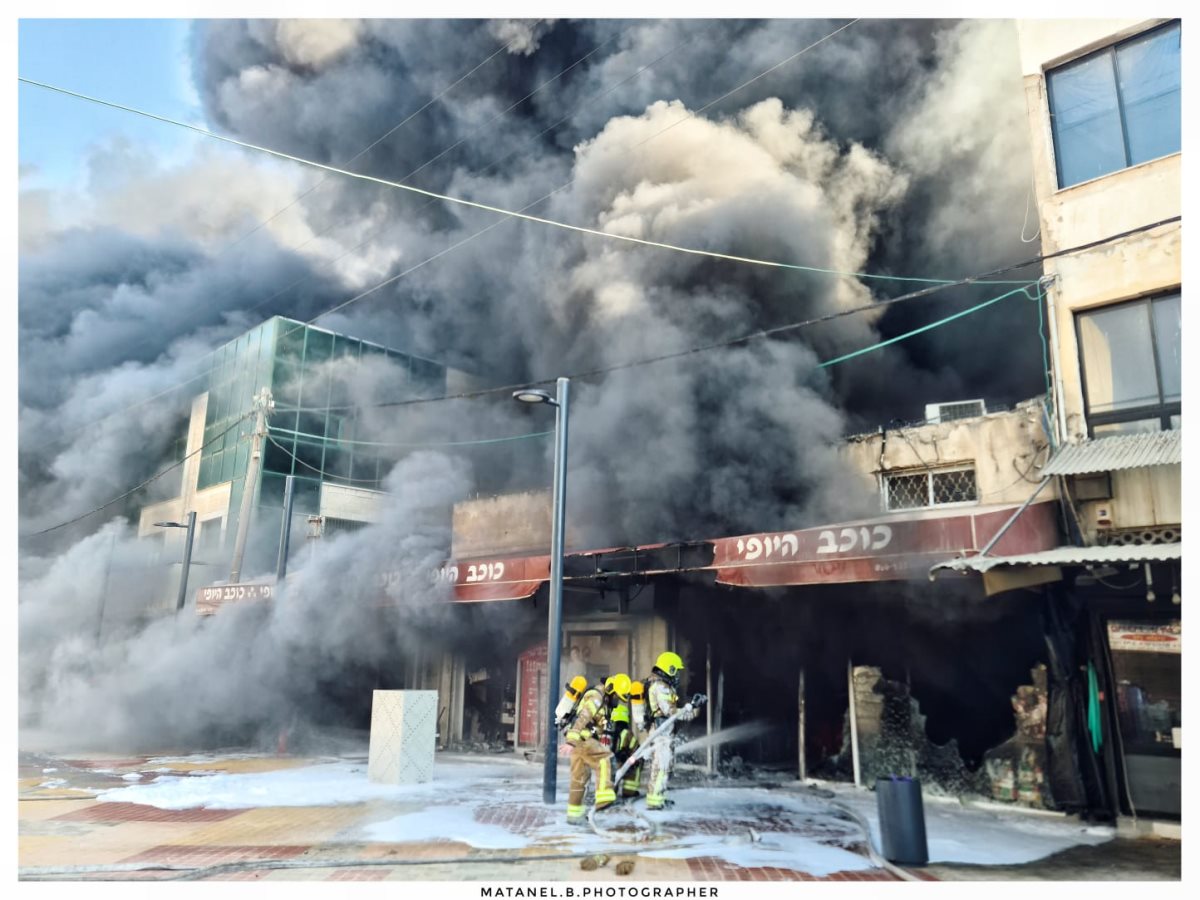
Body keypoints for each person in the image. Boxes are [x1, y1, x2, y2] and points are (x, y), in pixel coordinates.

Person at [644, 650, 706, 810]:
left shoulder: (664, 686)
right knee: (661, 766)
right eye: (675, 671)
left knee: (665, 766)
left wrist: (693, 708)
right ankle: (655, 801)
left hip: (665, 732)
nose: (677, 675)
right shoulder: (660, 687)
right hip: (661, 732)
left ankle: (659, 798)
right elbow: (670, 711)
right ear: (669, 669)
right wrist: (691, 709)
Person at [564, 676, 616, 825]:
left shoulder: (601, 699)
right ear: (611, 690)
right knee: (605, 758)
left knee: (579, 779)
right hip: (584, 740)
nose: (617, 701)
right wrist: (571, 741)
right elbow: (583, 718)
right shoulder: (597, 698)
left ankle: (574, 815)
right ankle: (604, 798)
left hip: (579, 742)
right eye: (617, 697)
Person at [604, 674, 642, 799]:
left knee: (610, 775)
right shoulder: (627, 733)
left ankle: (610, 792)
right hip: (621, 766)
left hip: (609, 767)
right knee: (638, 762)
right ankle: (629, 791)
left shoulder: (606, 730)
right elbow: (636, 749)